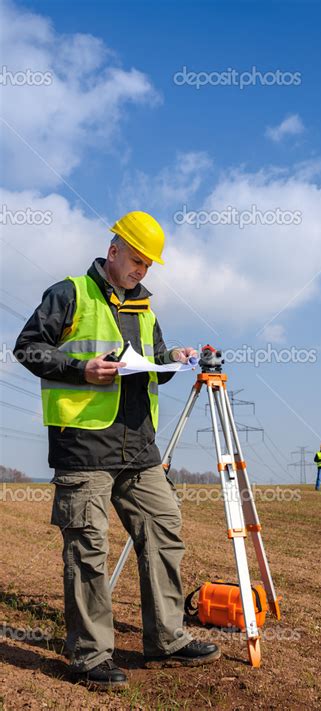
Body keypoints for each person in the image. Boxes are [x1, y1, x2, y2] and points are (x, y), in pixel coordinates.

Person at [13, 211, 220, 691]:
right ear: (114, 251)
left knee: (164, 529)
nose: (142, 270)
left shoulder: (145, 308)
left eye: (148, 265)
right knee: (89, 548)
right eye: (136, 260)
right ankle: (89, 656)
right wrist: (80, 369)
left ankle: (167, 638)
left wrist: (176, 359)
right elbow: (27, 347)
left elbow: (154, 366)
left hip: (137, 446)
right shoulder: (69, 293)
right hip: (83, 446)